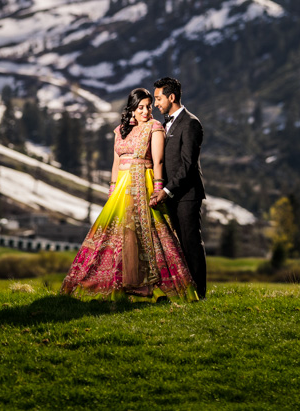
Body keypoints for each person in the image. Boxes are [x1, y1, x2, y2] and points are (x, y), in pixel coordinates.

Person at [58, 89, 196, 301]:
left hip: (144, 182)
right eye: (140, 107)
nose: (146, 111)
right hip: (121, 188)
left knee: (147, 232)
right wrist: (112, 189)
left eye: (149, 106)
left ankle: (149, 286)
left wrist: (158, 187)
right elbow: (116, 163)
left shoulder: (155, 127)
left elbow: (158, 161)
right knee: (117, 234)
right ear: (131, 108)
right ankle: (120, 283)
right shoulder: (120, 130)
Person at [151, 76, 207, 300]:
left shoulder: (191, 123)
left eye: (158, 98)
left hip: (186, 195)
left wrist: (166, 191)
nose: (156, 104)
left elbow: (187, 164)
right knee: (176, 245)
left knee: (190, 242)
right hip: (172, 195)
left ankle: (199, 294)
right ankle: (182, 290)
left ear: (171, 97)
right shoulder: (166, 124)